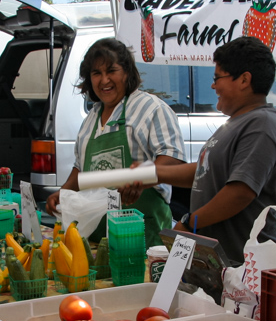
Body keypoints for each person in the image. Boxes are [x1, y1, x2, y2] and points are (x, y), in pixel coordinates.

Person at [153, 36, 276, 267]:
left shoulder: (260, 125)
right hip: (223, 266)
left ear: (244, 79)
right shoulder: (236, 123)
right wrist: (153, 174)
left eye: (217, 78)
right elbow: (206, 171)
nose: (213, 86)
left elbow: (241, 192)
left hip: (245, 268)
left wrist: (190, 222)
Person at [44, 38, 186, 247]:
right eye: (96, 73)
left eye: (112, 71)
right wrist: (63, 193)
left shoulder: (151, 109)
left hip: (143, 235)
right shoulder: (91, 119)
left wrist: (141, 177)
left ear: (127, 72)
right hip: (98, 239)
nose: (104, 80)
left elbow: (174, 160)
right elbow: (80, 168)